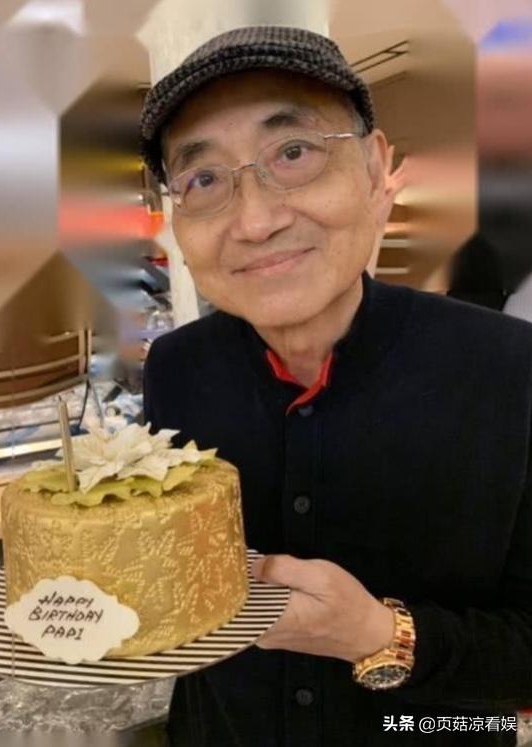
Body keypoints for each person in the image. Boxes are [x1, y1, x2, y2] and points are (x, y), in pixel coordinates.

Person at [139, 26, 532, 746]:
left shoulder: (513, 369)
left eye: (294, 152)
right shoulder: (174, 370)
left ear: (378, 170)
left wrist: (381, 635)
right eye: (203, 179)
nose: (255, 221)